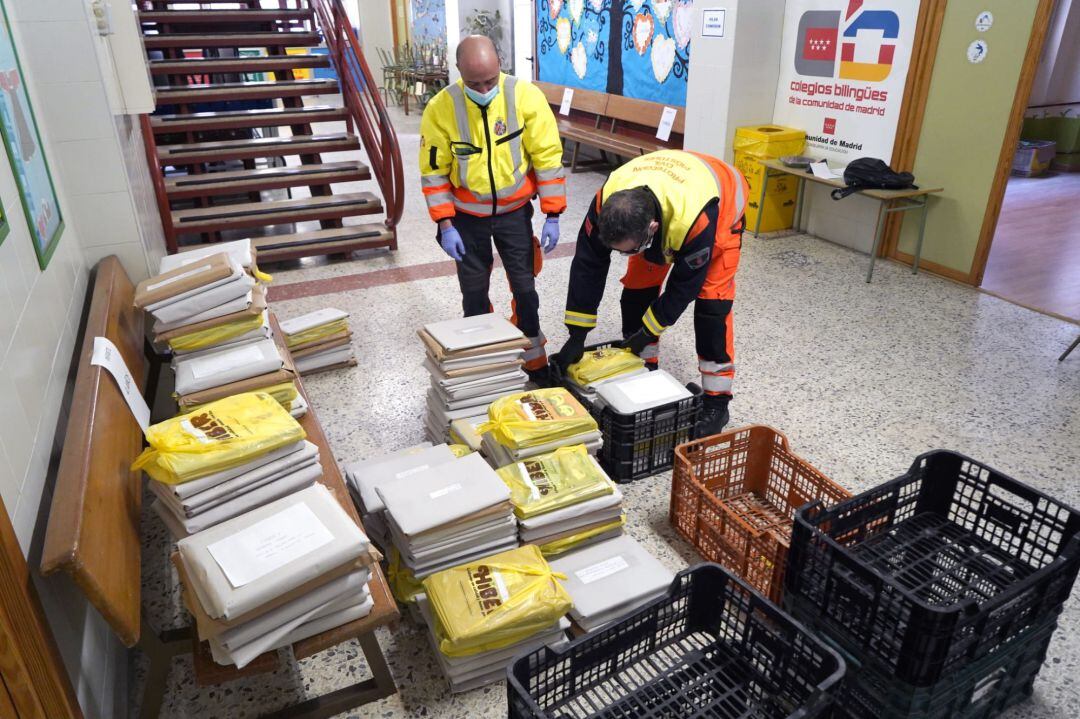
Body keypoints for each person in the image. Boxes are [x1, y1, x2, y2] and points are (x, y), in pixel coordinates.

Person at [554, 150, 748, 437]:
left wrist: (648, 329)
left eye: (630, 250)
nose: (624, 255)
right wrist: (577, 334)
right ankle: (643, 366)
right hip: (666, 187)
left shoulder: (694, 219)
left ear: (653, 228)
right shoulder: (605, 204)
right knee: (635, 292)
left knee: (711, 307)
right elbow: (587, 266)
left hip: (721, 213)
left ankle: (717, 402)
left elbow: (684, 287)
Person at [419, 35, 566, 378]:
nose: (483, 90)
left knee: (526, 289)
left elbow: (547, 158)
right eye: (474, 83)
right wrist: (445, 225)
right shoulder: (441, 108)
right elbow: (434, 173)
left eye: (489, 80)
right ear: (458, 72)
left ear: (500, 63)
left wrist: (553, 214)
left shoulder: (525, 97)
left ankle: (534, 362)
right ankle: (482, 363)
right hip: (466, 219)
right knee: (473, 293)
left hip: (515, 213)